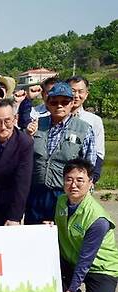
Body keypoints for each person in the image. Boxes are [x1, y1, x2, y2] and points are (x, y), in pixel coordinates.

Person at [56, 158, 118, 292]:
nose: (73, 185)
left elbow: (86, 259)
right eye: (69, 179)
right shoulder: (61, 201)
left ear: (91, 183)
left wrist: (71, 289)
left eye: (80, 180)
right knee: (47, 287)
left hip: (100, 268)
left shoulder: (97, 219)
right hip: (71, 261)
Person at [25, 82, 96, 224]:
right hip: (36, 194)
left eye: (64, 102)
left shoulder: (84, 129)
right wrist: (27, 135)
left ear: (71, 103)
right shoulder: (36, 125)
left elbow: (89, 167)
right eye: (54, 102)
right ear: (47, 103)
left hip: (64, 194)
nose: (59, 105)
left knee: (62, 240)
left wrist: (82, 198)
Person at [67, 75, 105, 182]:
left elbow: (99, 153)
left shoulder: (94, 120)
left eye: (80, 91)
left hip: (81, 179)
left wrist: (92, 179)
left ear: (86, 94)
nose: (76, 95)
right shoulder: (56, 117)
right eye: (72, 91)